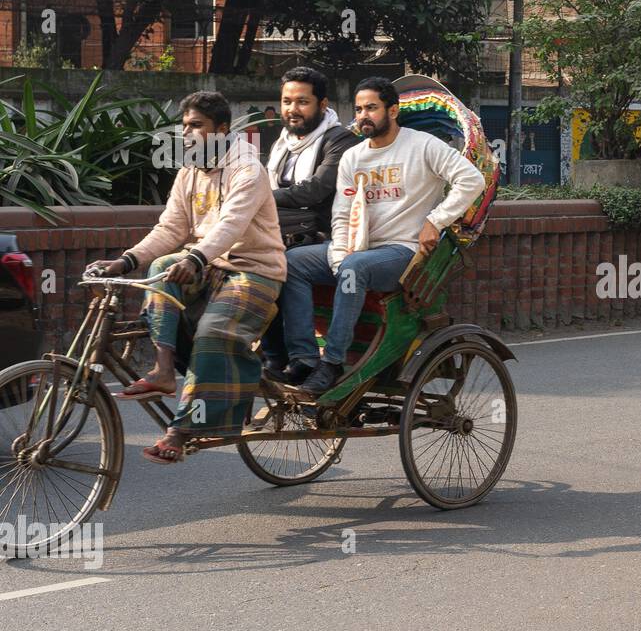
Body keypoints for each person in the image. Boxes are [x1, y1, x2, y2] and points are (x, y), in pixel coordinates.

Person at [84, 91, 285, 463]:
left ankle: (180, 431)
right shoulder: (189, 171)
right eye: (185, 125)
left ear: (222, 130)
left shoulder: (248, 169)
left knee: (212, 333)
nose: (188, 133)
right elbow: (170, 228)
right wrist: (126, 261)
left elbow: (231, 225)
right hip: (206, 266)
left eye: (197, 126)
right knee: (160, 267)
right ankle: (163, 370)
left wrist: (194, 258)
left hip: (252, 269)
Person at [275, 76, 485, 396]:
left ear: (393, 110)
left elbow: (472, 180)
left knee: (354, 267)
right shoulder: (353, 157)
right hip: (359, 250)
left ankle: (332, 363)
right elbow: (343, 215)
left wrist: (436, 220)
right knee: (293, 263)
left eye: (371, 108)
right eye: (359, 109)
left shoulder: (422, 145)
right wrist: (338, 256)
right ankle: (304, 357)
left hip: (403, 251)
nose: (363, 116)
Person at [260, 67, 360, 373]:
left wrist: (260, 198)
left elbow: (316, 190)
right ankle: (272, 353)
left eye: (302, 102)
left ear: (322, 104)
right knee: (251, 261)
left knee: (284, 264)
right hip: (284, 231)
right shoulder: (282, 144)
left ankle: (303, 357)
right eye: (287, 101)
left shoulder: (340, 140)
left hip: (327, 236)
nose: (293, 109)